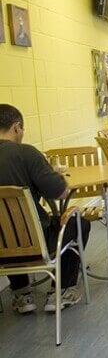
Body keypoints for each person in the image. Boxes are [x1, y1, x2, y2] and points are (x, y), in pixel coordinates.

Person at [0, 104, 90, 313]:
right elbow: (60, 193)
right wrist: (54, 175)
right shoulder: (26, 153)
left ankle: (22, 295)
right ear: (16, 127)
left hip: (1, 248)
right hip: (36, 243)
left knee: (7, 227)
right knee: (77, 222)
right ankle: (61, 291)